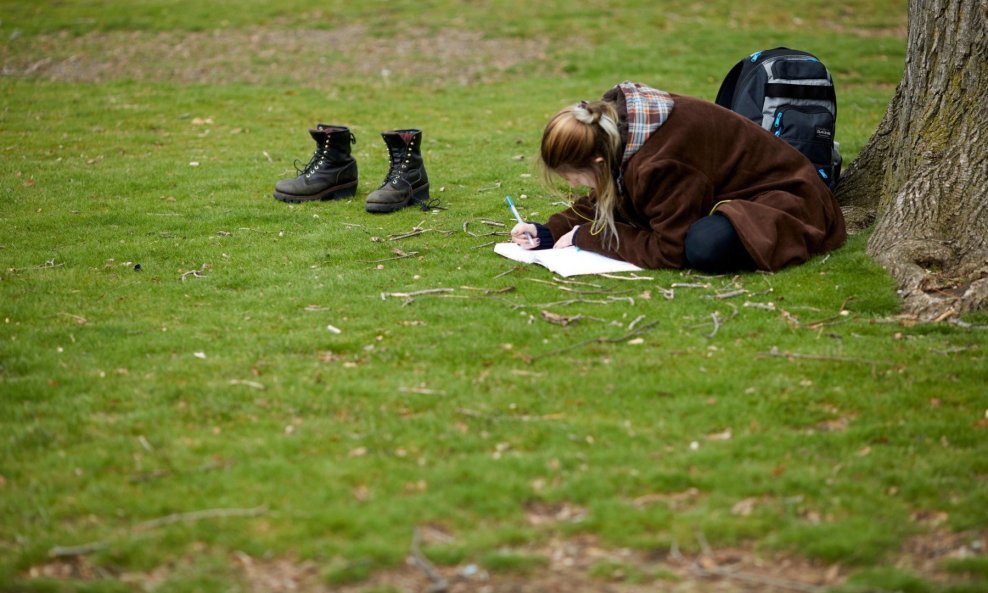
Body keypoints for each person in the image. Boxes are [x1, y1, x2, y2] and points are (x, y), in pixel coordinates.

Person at [510, 82, 847, 272]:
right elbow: (608, 193)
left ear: (598, 159)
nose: (573, 186)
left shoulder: (660, 162)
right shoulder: (617, 133)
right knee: (692, 234)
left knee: (703, 246)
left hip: (786, 200)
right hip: (734, 195)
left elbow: (670, 251)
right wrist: (549, 232)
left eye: (573, 177)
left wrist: (589, 236)